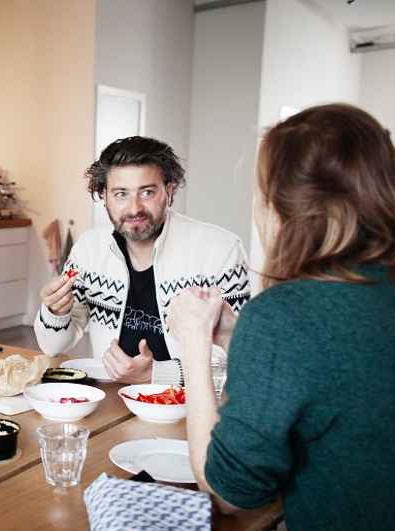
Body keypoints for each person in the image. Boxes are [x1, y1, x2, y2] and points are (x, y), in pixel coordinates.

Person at [167, 104, 395, 531]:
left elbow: (229, 489)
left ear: (284, 206)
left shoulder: (287, 314)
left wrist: (190, 349)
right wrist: (235, 336)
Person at [34, 137, 250, 385]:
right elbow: (52, 347)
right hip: (114, 399)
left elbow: (239, 358)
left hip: (190, 406)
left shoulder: (220, 250)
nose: (134, 208)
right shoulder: (88, 250)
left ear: (169, 190)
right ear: (104, 195)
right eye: (121, 194)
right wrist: (55, 313)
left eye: (147, 192)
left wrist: (156, 375)